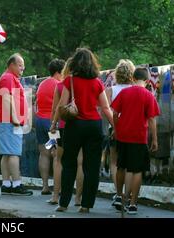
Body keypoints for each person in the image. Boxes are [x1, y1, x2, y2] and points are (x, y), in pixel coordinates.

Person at [53, 48, 113, 213]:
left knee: (69, 163)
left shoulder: (69, 81)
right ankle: (86, 205)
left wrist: (54, 123)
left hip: (74, 126)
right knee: (92, 166)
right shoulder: (97, 83)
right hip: (94, 126)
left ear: (74, 63)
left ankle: (63, 203)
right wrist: (115, 124)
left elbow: (62, 105)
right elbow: (106, 108)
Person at [111, 67, 160, 215]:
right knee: (137, 170)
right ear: (146, 81)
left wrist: (116, 128)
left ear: (132, 79)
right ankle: (132, 204)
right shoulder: (148, 95)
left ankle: (119, 196)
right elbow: (151, 119)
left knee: (121, 166)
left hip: (123, 135)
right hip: (139, 137)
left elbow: (115, 113)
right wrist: (155, 139)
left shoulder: (124, 93)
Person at [0, 53, 32, 196]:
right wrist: (15, 118)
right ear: (12, 65)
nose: (23, 68)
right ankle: (16, 184)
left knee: (6, 153)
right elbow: (7, 99)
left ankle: (6, 183)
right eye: (20, 65)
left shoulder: (9, 78)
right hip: (9, 121)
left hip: (5, 120)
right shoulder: (8, 78)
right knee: (14, 153)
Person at [48, 58, 84, 206]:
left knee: (59, 161)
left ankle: (56, 196)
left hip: (63, 127)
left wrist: (53, 127)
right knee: (80, 163)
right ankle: (78, 199)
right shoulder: (86, 83)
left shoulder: (61, 85)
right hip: (81, 125)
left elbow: (56, 109)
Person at [105, 60, 134, 203]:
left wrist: (114, 125)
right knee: (129, 163)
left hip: (114, 128)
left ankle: (118, 193)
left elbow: (108, 110)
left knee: (114, 161)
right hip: (131, 128)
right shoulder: (135, 90)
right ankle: (127, 195)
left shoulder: (111, 90)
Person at [36, 58, 65, 195]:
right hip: (51, 123)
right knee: (55, 154)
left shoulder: (42, 84)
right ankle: (56, 188)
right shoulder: (58, 84)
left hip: (40, 121)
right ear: (59, 72)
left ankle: (45, 186)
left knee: (43, 153)